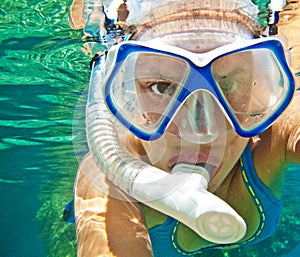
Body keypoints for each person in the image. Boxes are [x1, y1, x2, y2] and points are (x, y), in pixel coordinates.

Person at [69, 0, 300, 256]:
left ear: (261, 82)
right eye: (162, 87)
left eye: (229, 84)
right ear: (126, 88)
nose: (201, 133)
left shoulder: (270, 133)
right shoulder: (108, 174)